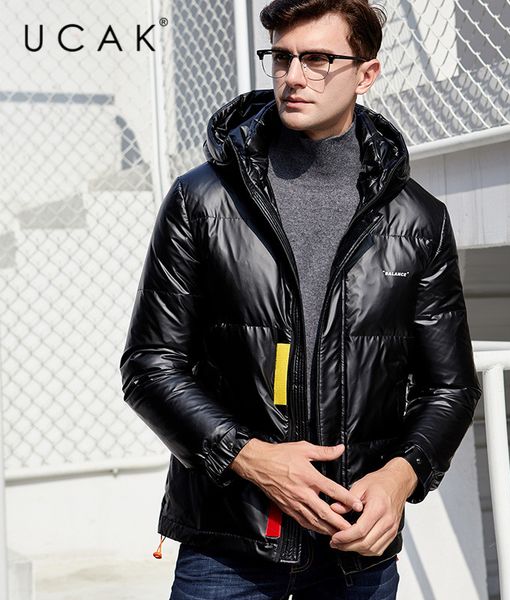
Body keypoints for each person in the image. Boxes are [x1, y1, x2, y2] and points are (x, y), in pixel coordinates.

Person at [119, 0, 482, 598]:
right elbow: (150, 366)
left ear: (366, 73)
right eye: (282, 57)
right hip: (229, 540)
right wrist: (249, 457)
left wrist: (399, 478)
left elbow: (450, 387)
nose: (293, 76)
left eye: (317, 59)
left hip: (354, 544)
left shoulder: (419, 220)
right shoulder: (201, 201)